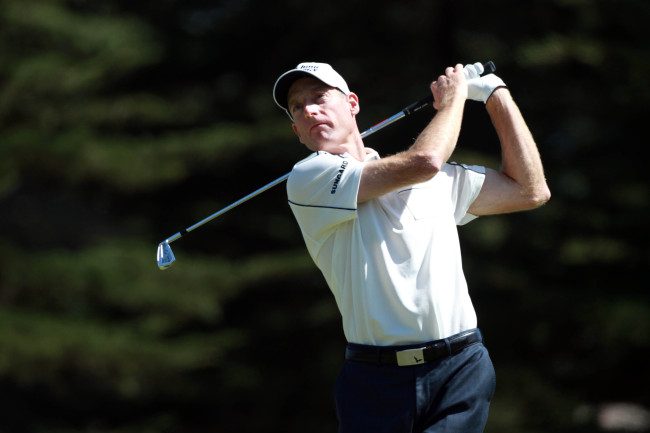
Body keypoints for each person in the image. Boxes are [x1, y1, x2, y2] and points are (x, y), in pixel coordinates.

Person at [272, 62, 550, 433]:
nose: (309, 109)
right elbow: (425, 161)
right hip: (374, 380)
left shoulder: (437, 182)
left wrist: (496, 95)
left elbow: (530, 190)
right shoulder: (309, 178)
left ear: (352, 103)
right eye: (297, 107)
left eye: (319, 97)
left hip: (460, 367)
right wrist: (455, 100)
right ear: (297, 131)